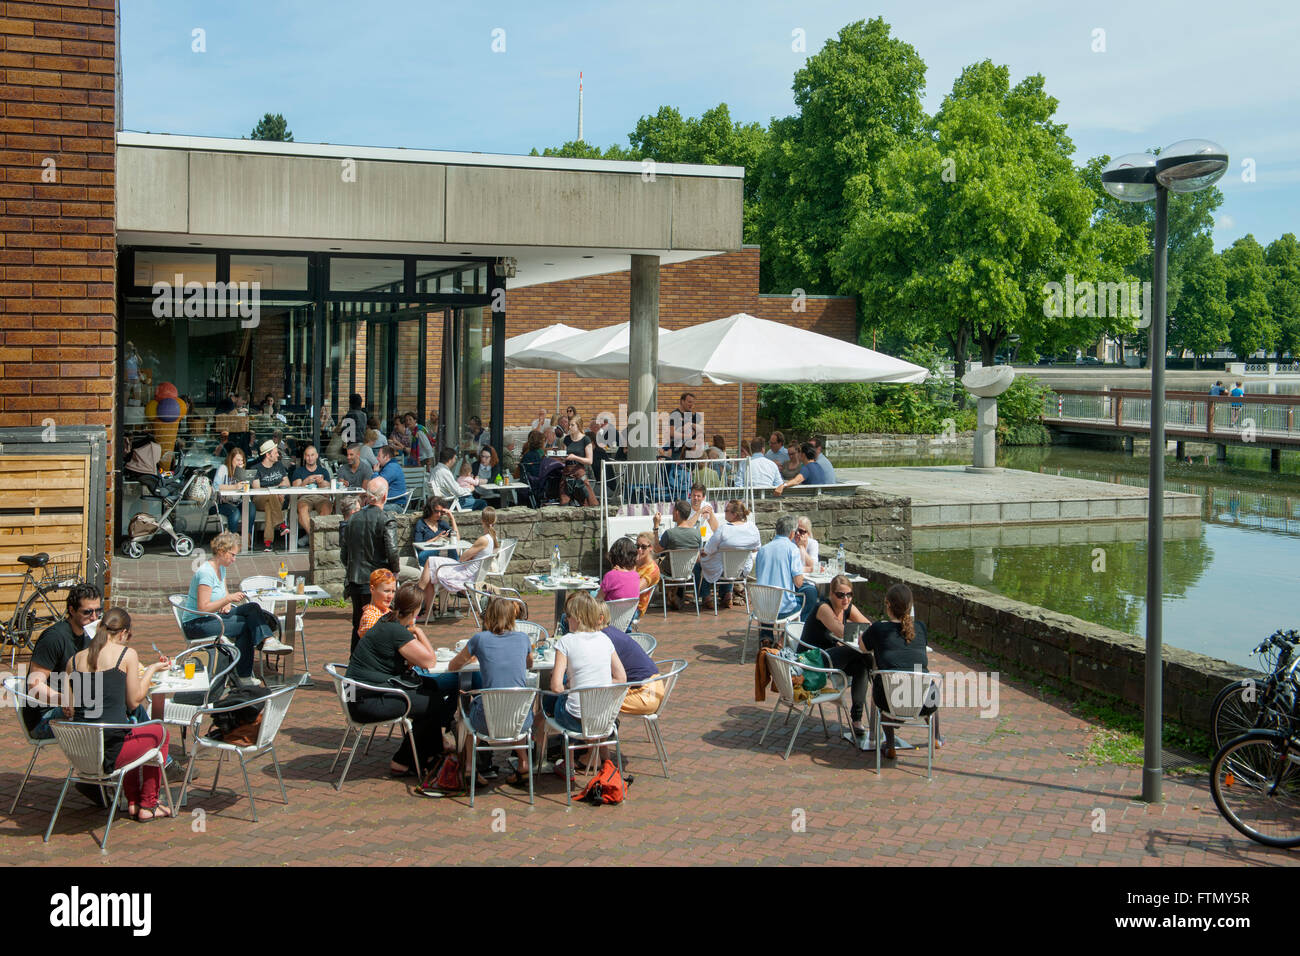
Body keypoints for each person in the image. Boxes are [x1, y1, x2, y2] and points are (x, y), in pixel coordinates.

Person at [62, 608, 173, 821]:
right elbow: (134, 701)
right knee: (159, 732)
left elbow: (70, 709)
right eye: (128, 636)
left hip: (82, 754)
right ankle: (148, 804)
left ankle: (132, 801)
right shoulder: (126, 655)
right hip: (109, 754)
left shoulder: (73, 661)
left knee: (128, 728)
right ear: (123, 633)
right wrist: (151, 670)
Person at [347, 583, 447, 777]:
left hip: (354, 693)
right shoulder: (396, 631)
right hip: (365, 701)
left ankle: (433, 751)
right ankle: (403, 760)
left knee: (432, 686)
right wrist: (419, 632)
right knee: (432, 703)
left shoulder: (387, 620)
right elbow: (430, 661)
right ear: (417, 610)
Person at [448, 596, 535, 787]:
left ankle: (470, 767)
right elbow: (530, 663)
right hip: (521, 722)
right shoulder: (523, 638)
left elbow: (453, 665)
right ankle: (524, 763)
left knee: (469, 717)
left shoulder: (480, 639)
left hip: (487, 721)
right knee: (515, 711)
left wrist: (476, 657)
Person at [181, 531, 289, 684]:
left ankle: (268, 640)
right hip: (197, 623)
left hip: (213, 617)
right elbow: (203, 608)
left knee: (252, 607)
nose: (234, 559)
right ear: (221, 551)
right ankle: (243, 675)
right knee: (245, 626)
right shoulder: (206, 572)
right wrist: (228, 599)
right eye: (232, 555)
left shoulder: (221, 568)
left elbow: (223, 595)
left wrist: (226, 602)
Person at [546, 592, 626, 770]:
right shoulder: (606, 640)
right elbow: (621, 678)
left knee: (550, 702)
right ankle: (581, 758)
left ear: (579, 617)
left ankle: (564, 760)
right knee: (573, 702)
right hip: (603, 718)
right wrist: (594, 686)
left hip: (575, 720)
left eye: (569, 616)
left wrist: (573, 686)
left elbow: (556, 686)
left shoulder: (566, 642)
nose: (567, 620)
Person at [862, 583, 939, 758]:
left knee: (885, 687)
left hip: (890, 701)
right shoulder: (920, 628)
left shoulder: (878, 628)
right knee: (929, 684)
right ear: (910, 607)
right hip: (924, 704)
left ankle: (890, 745)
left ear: (887, 605)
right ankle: (936, 737)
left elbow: (862, 646)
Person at [22, 583, 103, 740]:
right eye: (87, 612)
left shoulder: (90, 633)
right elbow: (34, 685)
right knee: (102, 712)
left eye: (98, 611)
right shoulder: (54, 638)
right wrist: (66, 700)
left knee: (128, 705)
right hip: (45, 718)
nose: (94, 617)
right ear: (72, 611)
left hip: (79, 706)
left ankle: (156, 759)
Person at [801, 574, 872, 736]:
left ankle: (857, 719)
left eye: (849, 594)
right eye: (840, 595)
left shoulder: (848, 607)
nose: (845, 599)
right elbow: (841, 632)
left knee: (861, 666)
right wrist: (867, 635)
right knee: (859, 654)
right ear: (831, 594)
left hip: (829, 659)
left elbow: (869, 626)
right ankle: (879, 677)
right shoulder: (824, 608)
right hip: (811, 661)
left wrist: (873, 632)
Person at [340, 476, 400, 651]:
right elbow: (392, 550)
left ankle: (354, 663)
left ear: (367, 497)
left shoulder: (353, 519)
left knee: (358, 623)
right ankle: (371, 665)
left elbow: (344, 553)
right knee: (376, 624)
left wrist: (351, 569)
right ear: (385, 496)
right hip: (376, 580)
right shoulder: (386, 519)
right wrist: (394, 572)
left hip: (355, 580)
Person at [418, 507, 498, 617]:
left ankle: (415, 599)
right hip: (472, 574)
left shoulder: (483, 539)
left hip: (465, 575)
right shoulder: (492, 539)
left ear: (482, 520)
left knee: (430, 562)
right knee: (431, 567)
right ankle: (428, 613)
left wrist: (469, 555)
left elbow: (462, 558)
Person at [753, 514, 820, 634]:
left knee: (768, 599)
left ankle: (766, 639)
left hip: (761, 608)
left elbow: (759, 576)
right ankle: (789, 635)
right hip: (783, 610)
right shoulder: (792, 549)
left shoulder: (763, 550)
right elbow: (798, 583)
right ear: (792, 533)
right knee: (807, 599)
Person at [599, 605, 662, 718]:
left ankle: (601, 732)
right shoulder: (611, 631)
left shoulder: (603, 638)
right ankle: (607, 732)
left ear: (600, 619)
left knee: (591, 701)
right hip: (654, 686)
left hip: (645, 694)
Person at [698, 499, 760, 611]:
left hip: (723, 569)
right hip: (742, 569)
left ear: (734, 514)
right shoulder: (752, 528)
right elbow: (756, 548)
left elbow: (708, 549)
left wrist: (703, 552)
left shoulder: (724, 529)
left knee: (702, 563)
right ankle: (727, 594)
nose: (724, 512)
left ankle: (706, 597)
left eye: (726, 510)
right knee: (727, 563)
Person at [652, 500, 701, 611]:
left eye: (673, 510)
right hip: (687, 571)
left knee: (653, 564)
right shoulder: (697, 534)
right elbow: (697, 559)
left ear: (677, 513)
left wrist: (655, 526)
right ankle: (674, 594)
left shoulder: (670, 533)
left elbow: (656, 549)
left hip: (670, 571)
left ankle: (664, 594)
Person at [250, 439, 291, 551]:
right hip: (259, 500)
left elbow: (287, 483)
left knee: (269, 506)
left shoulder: (279, 466)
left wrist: (274, 490)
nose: (278, 454)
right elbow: (257, 489)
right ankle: (281, 524)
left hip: (277, 500)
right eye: (275, 452)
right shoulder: (256, 469)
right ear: (268, 455)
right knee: (271, 495)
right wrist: (276, 488)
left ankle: (268, 543)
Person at [290, 442, 333, 543]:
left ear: (317, 456)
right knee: (302, 508)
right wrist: (306, 481)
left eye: (312, 455)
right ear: (304, 457)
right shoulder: (298, 471)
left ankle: (310, 537)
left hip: (321, 498)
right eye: (308, 455)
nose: (310, 458)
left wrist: (321, 482)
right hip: (305, 498)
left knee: (328, 507)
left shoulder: (323, 471)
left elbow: (329, 490)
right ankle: (314, 537)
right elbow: (295, 491)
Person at [431, 445, 485, 511]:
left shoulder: (435, 469)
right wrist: (469, 489)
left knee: (471, 499)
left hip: (442, 501)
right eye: (455, 458)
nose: (455, 461)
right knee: (482, 503)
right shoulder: (444, 472)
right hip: (449, 503)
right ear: (450, 460)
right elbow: (457, 491)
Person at [560, 418, 599, 507]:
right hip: (567, 472)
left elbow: (590, 461)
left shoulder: (586, 440)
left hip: (579, 473)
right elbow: (564, 455)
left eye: (572, 425)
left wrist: (575, 457)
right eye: (569, 425)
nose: (569, 427)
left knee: (588, 502)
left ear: (579, 426)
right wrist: (562, 458)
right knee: (564, 502)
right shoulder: (566, 439)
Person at [211, 447, 246, 534]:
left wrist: (241, 473)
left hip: (237, 502)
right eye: (238, 460)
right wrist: (234, 487)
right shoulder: (223, 468)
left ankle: (247, 536)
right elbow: (216, 486)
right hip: (221, 504)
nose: (240, 462)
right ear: (231, 459)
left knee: (251, 508)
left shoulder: (241, 471)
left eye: (242, 460)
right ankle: (232, 539)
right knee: (235, 512)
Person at [414, 498, 459, 565]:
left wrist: (452, 518)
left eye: (441, 512)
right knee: (443, 546)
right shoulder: (421, 524)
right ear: (429, 510)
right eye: (436, 511)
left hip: (440, 555)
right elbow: (418, 545)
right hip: (424, 554)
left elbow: (457, 538)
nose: (439, 514)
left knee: (452, 548)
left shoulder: (441, 523)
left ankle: (455, 567)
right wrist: (437, 538)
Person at [356, 568, 397, 640]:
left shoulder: (387, 611)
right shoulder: (370, 617)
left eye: (393, 591)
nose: (390, 596)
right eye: (386, 591)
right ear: (372, 589)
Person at [632, 532, 661, 627]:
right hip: (624, 601)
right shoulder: (634, 561)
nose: (639, 550)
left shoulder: (652, 569)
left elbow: (635, 589)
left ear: (651, 548)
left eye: (643, 547)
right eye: (637, 546)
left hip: (635, 608)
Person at [667, 392, 701, 459]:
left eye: (693, 403)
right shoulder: (675, 414)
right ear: (682, 401)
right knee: (678, 469)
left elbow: (698, 431)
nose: (691, 405)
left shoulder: (692, 415)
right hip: (678, 451)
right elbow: (671, 432)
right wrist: (687, 436)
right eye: (689, 402)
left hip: (691, 450)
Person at [374, 444, 407, 511]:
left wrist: (375, 472)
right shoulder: (389, 466)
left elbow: (376, 486)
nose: (377, 458)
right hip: (389, 502)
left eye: (379, 456)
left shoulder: (391, 467)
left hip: (395, 505)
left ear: (386, 457)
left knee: (369, 510)